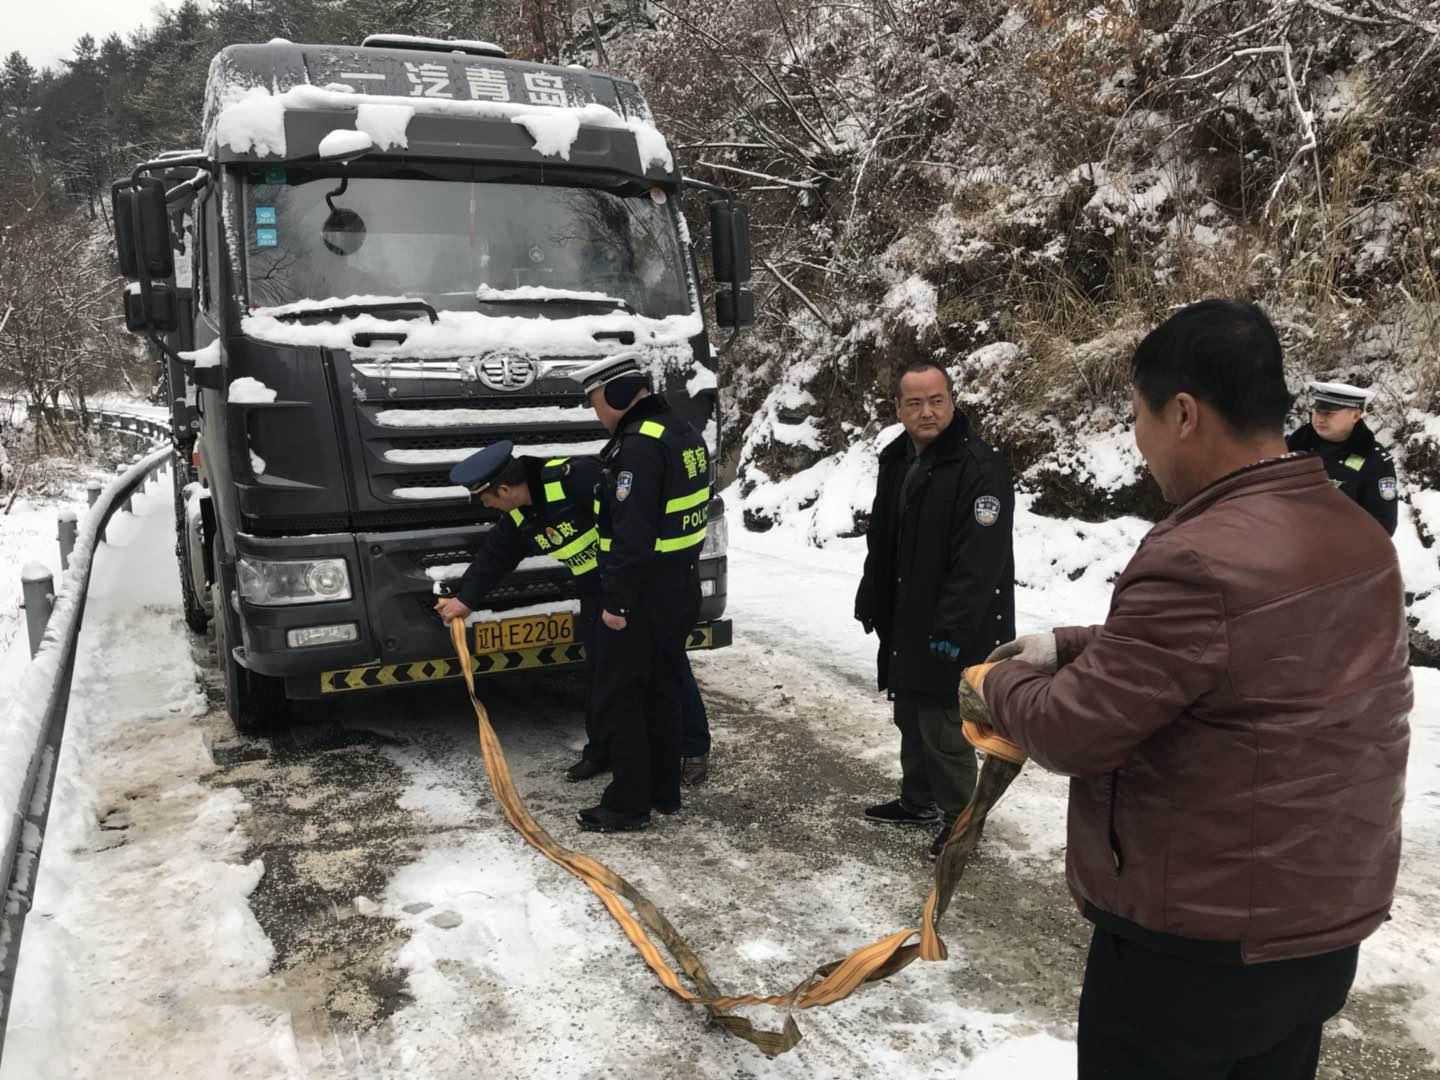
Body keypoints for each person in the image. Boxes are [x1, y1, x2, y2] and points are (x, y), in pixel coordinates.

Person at [965, 300, 1411, 1080]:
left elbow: (1073, 731)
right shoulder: (1357, 536)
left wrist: (994, 681)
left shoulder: (1195, 556)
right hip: (1319, 930)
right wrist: (1066, 644)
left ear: (1182, 413)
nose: (1137, 444)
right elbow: (1239, 657)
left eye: (1136, 418)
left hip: (1196, 954)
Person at [434, 441, 713, 786]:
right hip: (597, 593)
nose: (485, 505)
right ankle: (602, 751)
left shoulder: (576, 479)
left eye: (485, 497)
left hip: (638, 584)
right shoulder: (520, 512)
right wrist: (466, 599)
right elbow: (495, 556)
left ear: (504, 489)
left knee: (665, 663)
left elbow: (634, 518)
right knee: (600, 674)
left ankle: (693, 748)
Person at [854, 359, 1015, 859]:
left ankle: (960, 819)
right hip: (907, 610)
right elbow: (882, 538)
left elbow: (979, 561)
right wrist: (870, 592)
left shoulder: (979, 467)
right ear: (899, 408)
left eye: (937, 400)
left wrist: (952, 625)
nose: (927, 412)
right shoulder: (896, 458)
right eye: (915, 402)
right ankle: (918, 800)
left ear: (952, 400)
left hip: (957, 620)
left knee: (946, 724)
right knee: (910, 711)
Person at [568, 354, 711, 832]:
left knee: (622, 698)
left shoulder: (637, 446)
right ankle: (663, 792)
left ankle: (628, 803)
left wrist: (616, 604)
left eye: (596, 404)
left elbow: (631, 534)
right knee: (664, 691)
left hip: (641, 596)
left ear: (616, 394)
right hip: (679, 586)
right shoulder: (683, 432)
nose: (598, 415)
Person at [1286, 379, 1399, 535]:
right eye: (1317, 411)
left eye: (1329, 413)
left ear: (1355, 416)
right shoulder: (1291, 446)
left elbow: (1382, 526)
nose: (1320, 418)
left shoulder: (1374, 460)